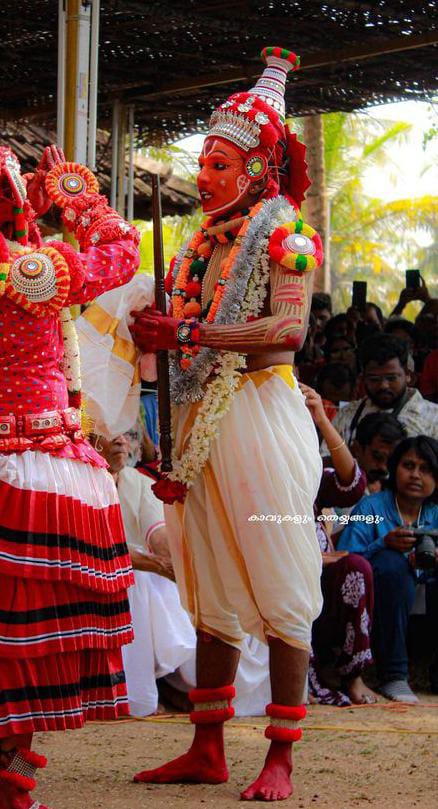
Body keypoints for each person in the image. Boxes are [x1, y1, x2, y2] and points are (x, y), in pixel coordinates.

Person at [129, 46, 324, 802]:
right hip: (197, 414)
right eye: (202, 162)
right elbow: (186, 326)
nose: (204, 176)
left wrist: (187, 336)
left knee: (280, 573)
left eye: (218, 165)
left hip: (263, 413)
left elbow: (288, 331)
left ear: (259, 171)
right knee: (206, 569)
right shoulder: (202, 237)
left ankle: (280, 751)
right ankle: (207, 745)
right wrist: (163, 329)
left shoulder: (287, 233)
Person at [0, 145, 139, 808]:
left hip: (31, 459)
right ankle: (8, 770)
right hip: (32, 467)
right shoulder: (34, 268)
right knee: (22, 634)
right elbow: (120, 250)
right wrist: (77, 192)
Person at [337, 436, 438, 702]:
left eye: (426, 469)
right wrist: (383, 543)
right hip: (379, 602)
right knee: (392, 564)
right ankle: (394, 676)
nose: (416, 475)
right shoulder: (371, 506)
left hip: (424, 605)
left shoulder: (436, 512)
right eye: (408, 465)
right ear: (395, 468)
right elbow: (346, 559)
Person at [299, 384, 376, 707]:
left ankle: (351, 675)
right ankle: (301, 678)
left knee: (355, 567)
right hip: (277, 567)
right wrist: (307, 558)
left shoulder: (313, 472)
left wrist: (321, 419)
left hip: (321, 577)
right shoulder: (253, 466)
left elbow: (352, 487)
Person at [323, 333, 438, 452]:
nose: (383, 385)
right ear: (362, 379)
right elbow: (327, 460)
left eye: (391, 378)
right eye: (374, 379)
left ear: (408, 375)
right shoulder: (346, 415)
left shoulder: (434, 417)